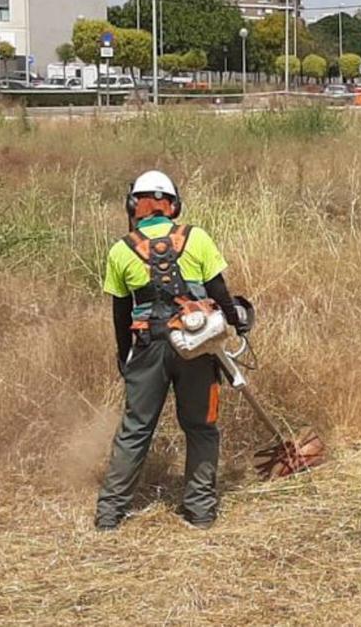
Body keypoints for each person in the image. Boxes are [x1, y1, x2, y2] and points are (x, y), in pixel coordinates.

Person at [95, 170, 247, 531]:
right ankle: (200, 511)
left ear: (135, 204)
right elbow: (219, 289)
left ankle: (109, 515)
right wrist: (236, 323)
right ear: (173, 204)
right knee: (201, 427)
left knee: (135, 429)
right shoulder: (196, 238)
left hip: (147, 348)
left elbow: (121, 311)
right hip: (198, 347)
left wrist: (124, 355)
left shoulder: (121, 249)